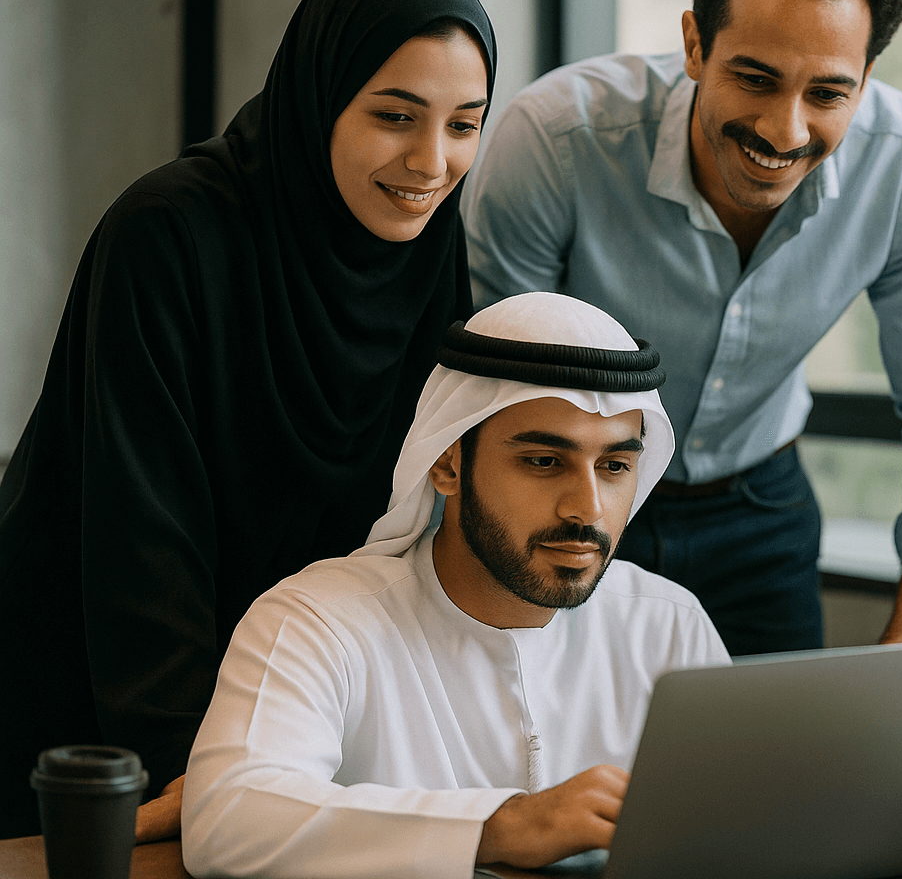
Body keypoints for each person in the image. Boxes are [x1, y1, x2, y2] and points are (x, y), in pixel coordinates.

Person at [0, 0, 496, 840]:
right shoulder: (168, 236)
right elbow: (139, 530)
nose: (432, 161)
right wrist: (192, 769)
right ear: (319, 98)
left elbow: (410, 515)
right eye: (394, 116)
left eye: (466, 125)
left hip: (288, 711)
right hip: (97, 704)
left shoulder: (428, 252)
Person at [463, 0, 902, 655]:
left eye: (827, 93)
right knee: (576, 767)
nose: (784, 130)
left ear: (868, 74)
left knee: (770, 773)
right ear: (694, 45)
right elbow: (501, 392)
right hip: (577, 493)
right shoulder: (555, 140)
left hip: (763, 510)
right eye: (755, 78)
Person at [180, 292, 729, 877]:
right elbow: (228, 817)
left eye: (614, 466)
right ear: (447, 465)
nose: (586, 508)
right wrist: (503, 826)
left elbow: (749, 817)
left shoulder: (670, 624)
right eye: (544, 461)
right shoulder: (319, 620)